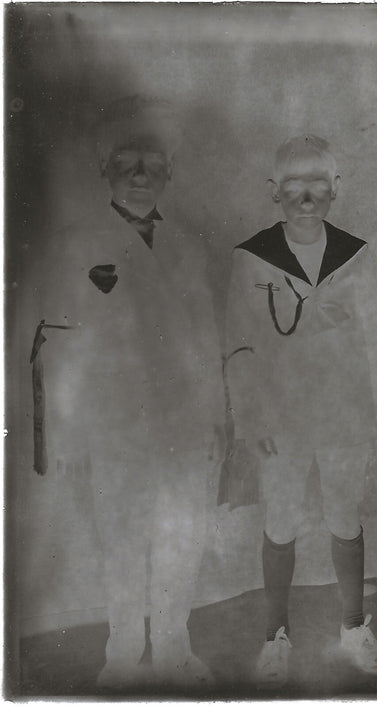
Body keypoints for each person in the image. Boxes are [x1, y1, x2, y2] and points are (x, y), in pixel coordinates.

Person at [30, 95, 223, 690]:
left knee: (181, 540)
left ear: (170, 170)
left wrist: (218, 417)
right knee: (122, 543)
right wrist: (65, 434)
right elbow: (58, 346)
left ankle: (172, 650)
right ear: (104, 168)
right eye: (125, 161)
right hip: (115, 426)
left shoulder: (188, 246)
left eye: (152, 162)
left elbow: (206, 339)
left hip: (184, 423)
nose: (140, 174)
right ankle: (122, 657)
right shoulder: (76, 244)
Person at [225, 134, 377, 688]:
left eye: (317, 185)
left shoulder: (356, 256)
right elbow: (239, 346)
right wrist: (250, 420)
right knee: (281, 521)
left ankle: (353, 627)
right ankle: (276, 635)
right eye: (293, 186)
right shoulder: (251, 258)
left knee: (345, 517)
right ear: (274, 191)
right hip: (281, 419)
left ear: (335, 189)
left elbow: (376, 341)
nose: (305, 197)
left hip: (346, 415)